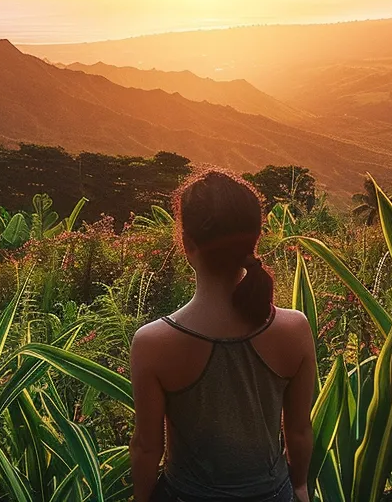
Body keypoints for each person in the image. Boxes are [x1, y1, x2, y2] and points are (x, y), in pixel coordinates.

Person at [129, 170, 317, 502]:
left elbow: (147, 447)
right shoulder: (294, 329)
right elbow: (299, 431)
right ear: (255, 240)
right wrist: (299, 486)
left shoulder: (153, 343)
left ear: (187, 245)